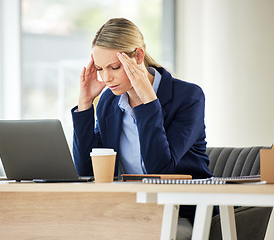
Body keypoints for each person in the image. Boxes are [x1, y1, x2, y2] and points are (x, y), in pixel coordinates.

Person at [71, 18, 214, 224]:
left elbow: (160, 171)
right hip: (130, 210)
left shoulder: (188, 97)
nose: (105, 78)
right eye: (100, 69)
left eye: (114, 67)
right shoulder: (109, 102)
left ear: (138, 56)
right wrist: (85, 103)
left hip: (183, 212)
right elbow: (87, 172)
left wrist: (148, 101)